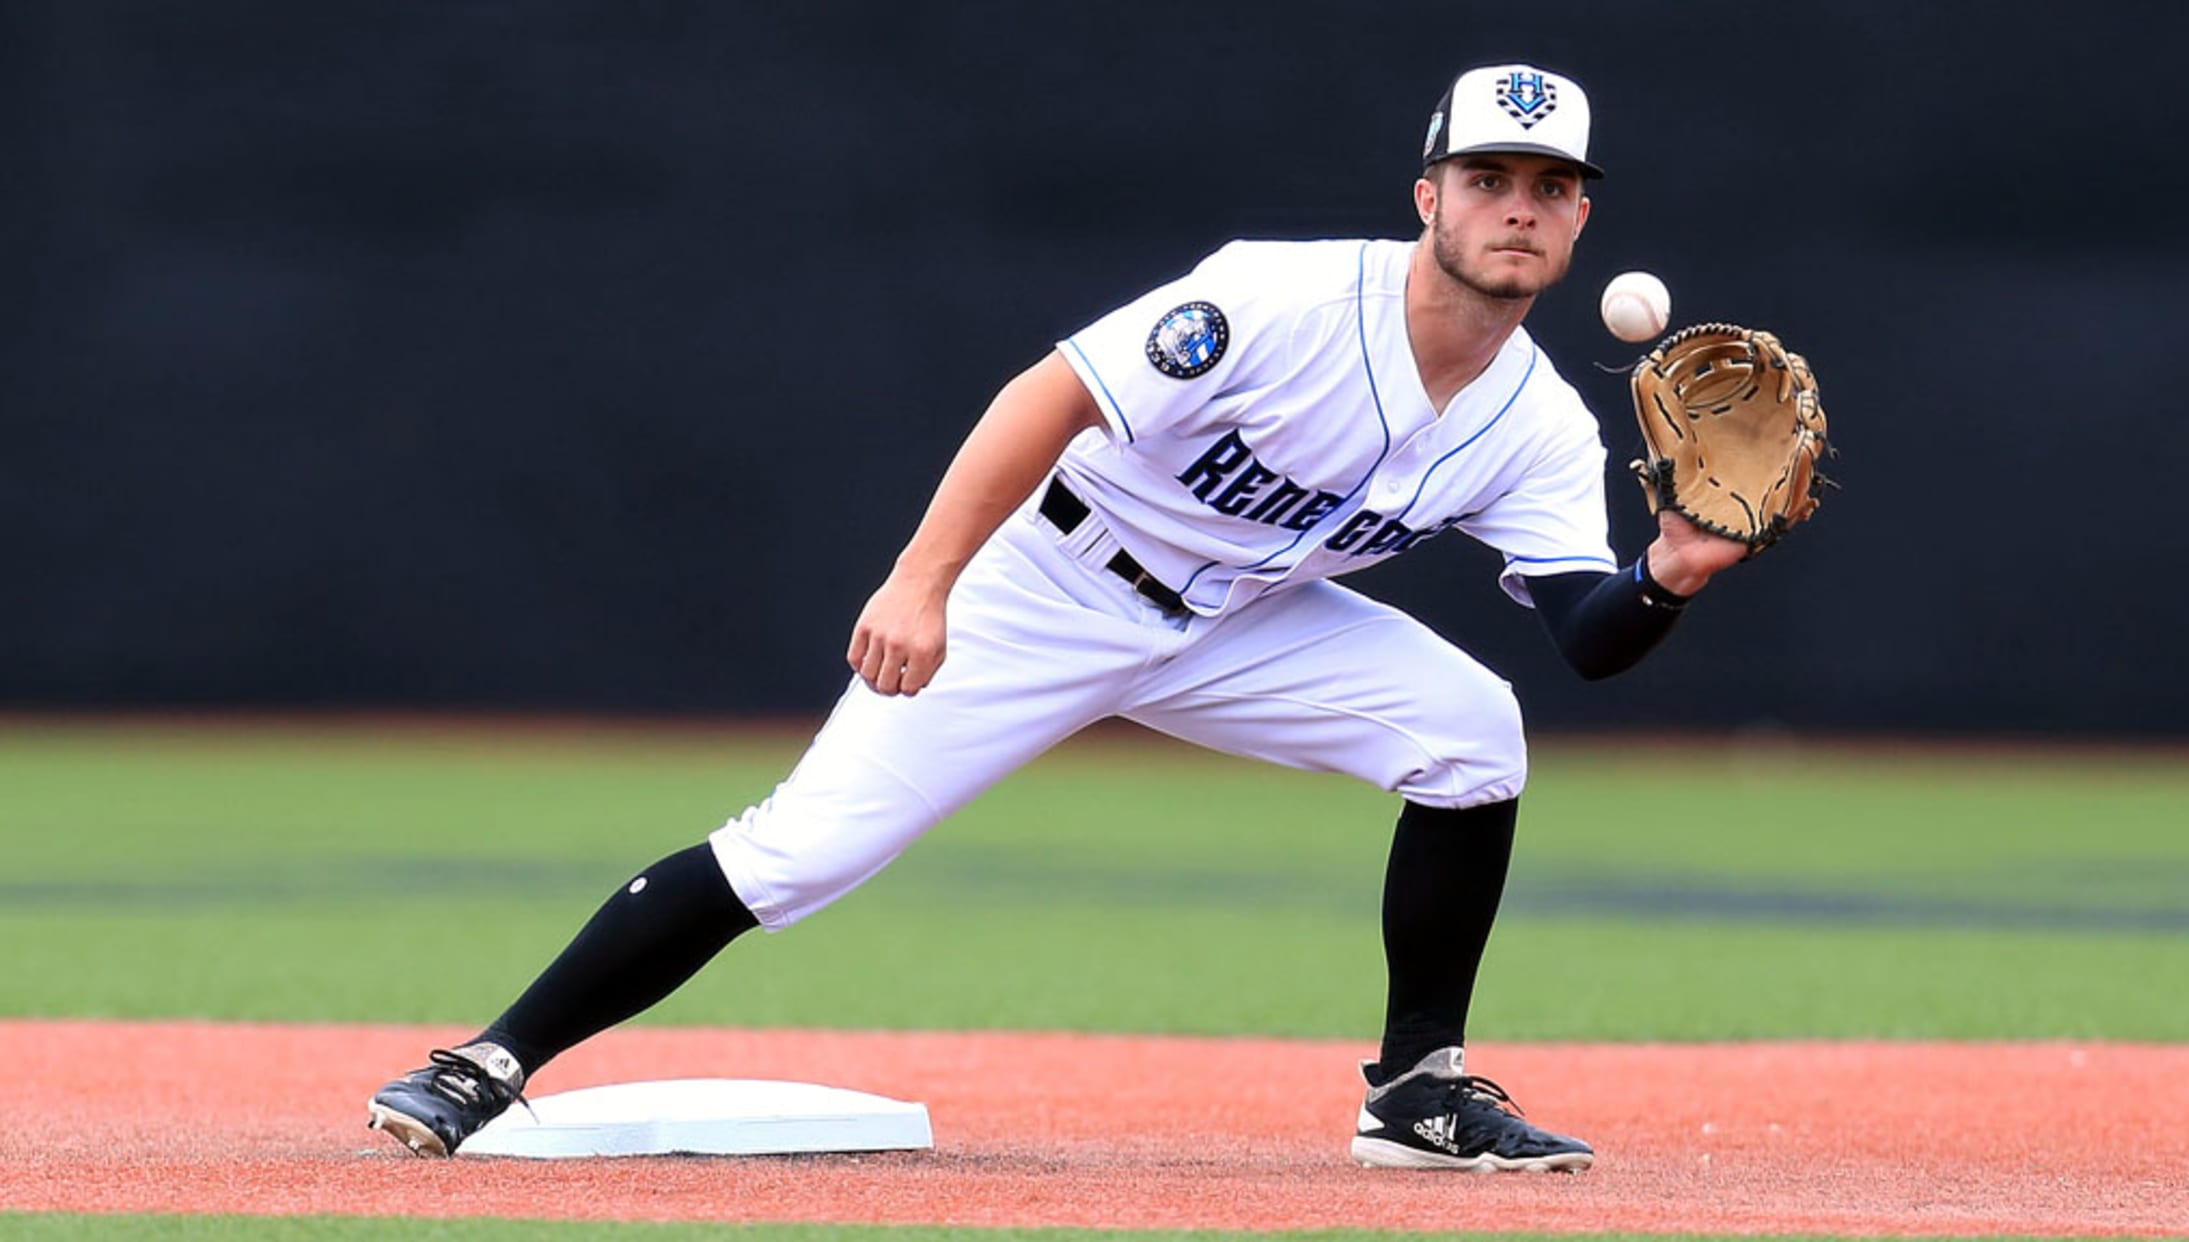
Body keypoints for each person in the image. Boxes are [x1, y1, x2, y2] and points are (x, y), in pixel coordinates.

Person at [368, 62, 1748, 1173]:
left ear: (1578, 220)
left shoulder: (1540, 427)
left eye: (1550, 185)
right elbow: (1050, 394)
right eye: (1488, 177)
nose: (1518, 204)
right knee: (799, 854)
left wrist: (1672, 570)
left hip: (1243, 621)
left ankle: (1418, 1089)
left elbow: (1586, 631)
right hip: (1048, 583)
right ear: (1428, 195)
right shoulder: (1278, 296)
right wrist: (922, 579)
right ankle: (485, 1059)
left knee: (1475, 731)